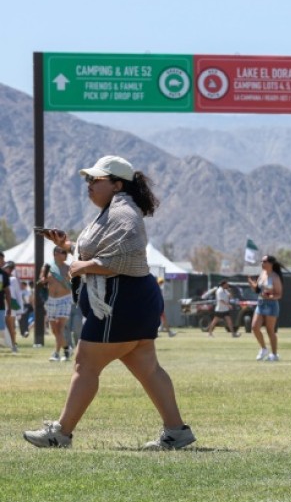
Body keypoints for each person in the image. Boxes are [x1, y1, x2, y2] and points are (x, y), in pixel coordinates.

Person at [24, 155, 195, 450]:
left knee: (85, 364)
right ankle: (176, 431)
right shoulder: (115, 210)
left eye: (96, 179)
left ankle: (60, 433)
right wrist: (66, 245)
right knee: (148, 367)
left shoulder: (123, 212)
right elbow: (106, 250)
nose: (89, 184)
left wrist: (83, 266)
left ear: (117, 185)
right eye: (88, 179)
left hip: (119, 300)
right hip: (133, 298)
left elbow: (125, 254)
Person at [40, 246, 74, 361]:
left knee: (59, 328)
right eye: (63, 252)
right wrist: (43, 280)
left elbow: (72, 285)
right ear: (55, 253)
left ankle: (56, 353)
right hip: (50, 300)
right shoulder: (47, 267)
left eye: (66, 252)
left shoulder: (68, 268)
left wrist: (64, 279)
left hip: (64, 299)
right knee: (54, 330)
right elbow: (41, 280)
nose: (66, 254)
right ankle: (67, 349)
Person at [248, 255, 283, 361]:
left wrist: (269, 296)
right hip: (261, 303)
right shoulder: (262, 273)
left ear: (270, 263)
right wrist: (252, 283)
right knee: (254, 327)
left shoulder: (275, 277)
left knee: (270, 330)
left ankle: (274, 354)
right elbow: (258, 290)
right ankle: (263, 349)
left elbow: (279, 294)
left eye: (264, 261)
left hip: (271, 305)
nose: (262, 263)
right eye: (261, 261)